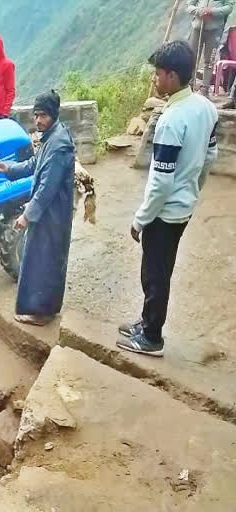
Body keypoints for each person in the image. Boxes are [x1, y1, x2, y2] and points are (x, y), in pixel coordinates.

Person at [118, 41, 218, 357]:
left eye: (158, 74)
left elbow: (161, 182)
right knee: (162, 269)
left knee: (155, 273)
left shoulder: (171, 119)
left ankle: (151, 337)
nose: (155, 80)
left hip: (165, 213)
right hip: (183, 208)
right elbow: (210, 157)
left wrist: (140, 219)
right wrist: (192, 189)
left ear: (172, 76)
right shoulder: (206, 108)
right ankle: (147, 322)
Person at [0, 90, 75, 326]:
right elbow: (35, 165)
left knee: (46, 262)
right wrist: (9, 169)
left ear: (53, 114)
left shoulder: (58, 145)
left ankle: (43, 314)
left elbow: (48, 187)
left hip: (54, 214)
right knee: (40, 260)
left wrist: (27, 215)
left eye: (42, 116)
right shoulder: (50, 137)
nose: (37, 121)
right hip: (48, 213)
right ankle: (40, 309)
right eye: (36, 115)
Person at [187, 0, 234, 96]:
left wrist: (212, 11)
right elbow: (189, 5)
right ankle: (189, 85)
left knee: (209, 60)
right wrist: (199, 11)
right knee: (192, 57)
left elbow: (229, 8)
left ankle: (205, 89)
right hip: (197, 28)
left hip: (215, 30)